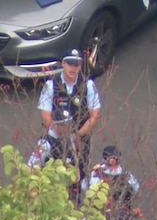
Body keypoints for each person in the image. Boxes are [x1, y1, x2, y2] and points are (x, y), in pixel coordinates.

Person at [28, 48, 102, 186]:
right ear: (63, 63)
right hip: (54, 136)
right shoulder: (51, 85)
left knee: (78, 180)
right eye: (69, 63)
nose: (72, 68)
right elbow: (45, 116)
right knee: (35, 163)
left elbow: (94, 115)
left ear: (80, 66)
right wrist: (59, 130)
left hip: (79, 137)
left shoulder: (88, 85)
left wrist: (77, 134)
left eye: (76, 64)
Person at [80, 145, 142, 220]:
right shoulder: (96, 174)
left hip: (118, 219)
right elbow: (83, 187)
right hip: (96, 217)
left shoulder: (127, 177)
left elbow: (137, 194)